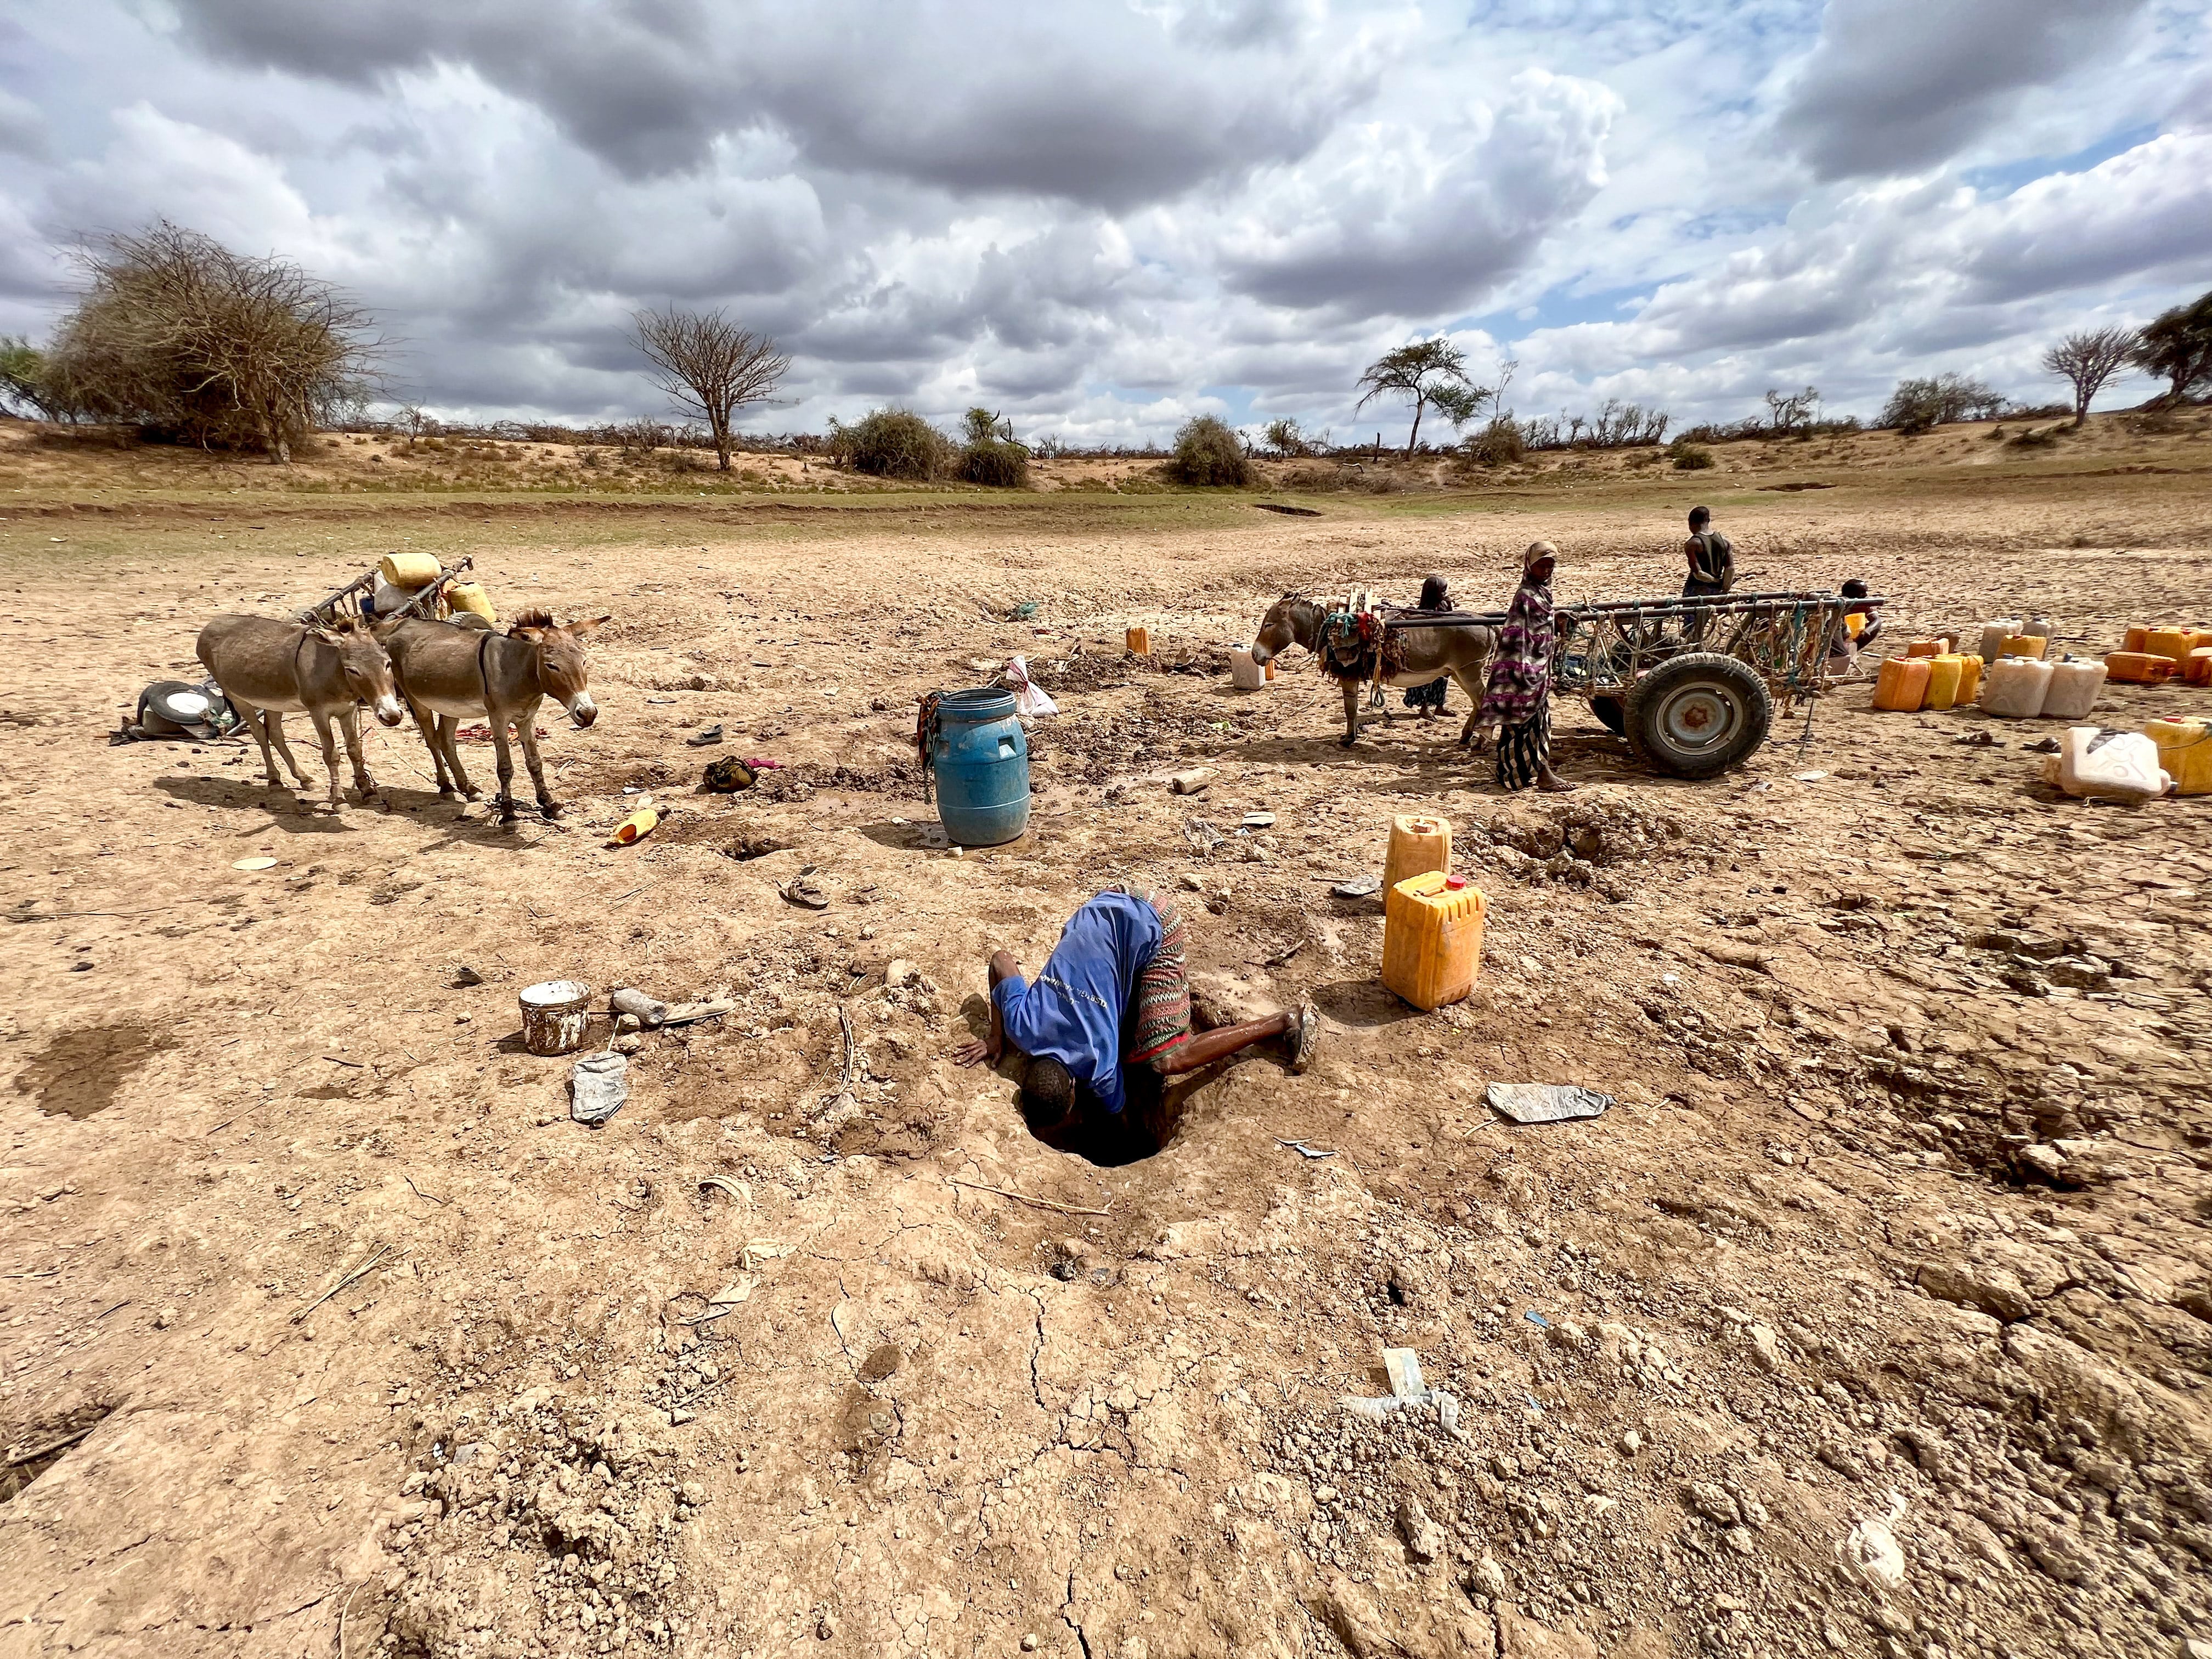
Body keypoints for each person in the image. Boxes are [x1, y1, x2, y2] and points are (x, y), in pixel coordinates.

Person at [954, 885, 1317, 1142]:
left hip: (1156, 921)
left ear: (1073, 1090)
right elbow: (1002, 959)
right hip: (1104, 903)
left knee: (1167, 1060)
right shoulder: (1024, 1026)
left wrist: (1121, 1135)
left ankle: (1282, 1021)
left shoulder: (1099, 1065)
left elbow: (1120, 1115)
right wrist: (997, 1037)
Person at [1477, 541, 1575, 793]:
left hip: (1537, 668)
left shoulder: (1543, 592)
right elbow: (1518, 634)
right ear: (1529, 566)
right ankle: (1541, 775)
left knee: (1534, 723)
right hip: (1522, 670)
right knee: (1524, 724)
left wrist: (1556, 618)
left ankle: (1523, 773)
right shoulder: (1526, 595)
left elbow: (1541, 625)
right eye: (1541, 565)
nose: (1546, 570)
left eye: (1550, 566)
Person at [1402, 573, 1453, 717]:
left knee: (1443, 677)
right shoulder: (1424, 608)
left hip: (1441, 646)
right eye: (1442, 591)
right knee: (1425, 679)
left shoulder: (1444, 604)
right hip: (1427, 647)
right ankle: (1424, 707)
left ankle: (1439, 706)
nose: (1444, 594)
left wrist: (1449, 606)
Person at [1826, 578, 1883, 672]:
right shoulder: (1837, 605)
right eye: (1862, 593)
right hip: (1833, 630)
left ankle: (1849, 652)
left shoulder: (1864, 604)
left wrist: (1868, 630)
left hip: (1844, 631)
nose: (1866, 595)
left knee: (1873, 629)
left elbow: (1877, 620)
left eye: (1866, 592)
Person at [1681, 506, 1734, 597]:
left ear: (1690, 522)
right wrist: (1725, 587)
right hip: (1717, 590)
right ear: (1708, 520)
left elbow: (1699, 574)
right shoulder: (1725, 542)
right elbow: (1730, 569)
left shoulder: (1692, 544)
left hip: (1696, 589)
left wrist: (1715, 581)